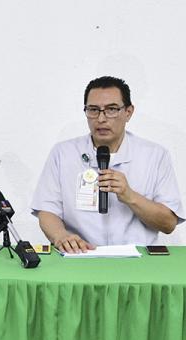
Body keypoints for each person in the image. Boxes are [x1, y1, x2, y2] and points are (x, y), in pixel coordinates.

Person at [31, 76, 184, 253]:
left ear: (128, 112)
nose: (101, 119)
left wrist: (130, 196)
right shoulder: (63, 153)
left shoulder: (155, 156)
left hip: (138, 259)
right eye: (93, 110)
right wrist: (61, 236)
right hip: (80, 255)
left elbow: (168, 224)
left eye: (111, 109)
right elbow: (47, 210)